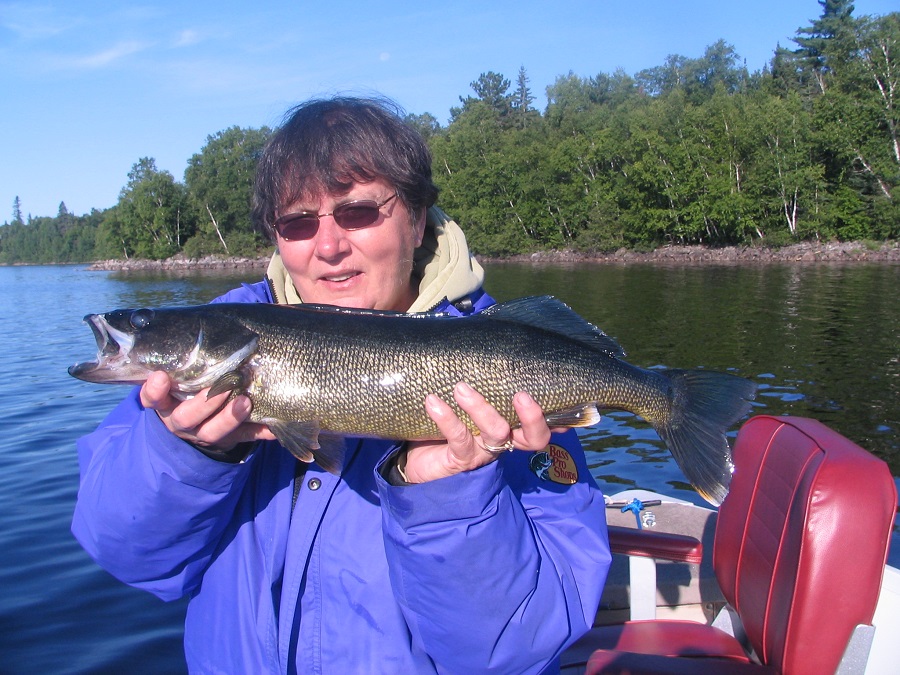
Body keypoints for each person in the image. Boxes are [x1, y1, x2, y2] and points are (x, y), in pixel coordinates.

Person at [72, 96, 611, 674]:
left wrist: (449, 494)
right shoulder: (187, 385)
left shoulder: (503, 356)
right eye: (298, 223)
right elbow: (126, 553)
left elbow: (516, 652)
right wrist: (187, 454)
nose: (328, 247)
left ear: (418, 217)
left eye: (357, 212)